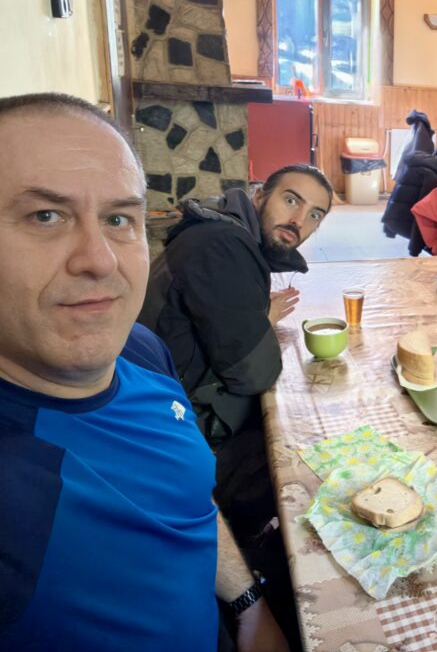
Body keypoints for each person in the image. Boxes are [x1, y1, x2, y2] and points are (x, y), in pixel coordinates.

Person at [0, 93, 287, 650]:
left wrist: (249, 605)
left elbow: (184, 493)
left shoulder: (137, 349)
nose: (100, 258)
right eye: (46, 216)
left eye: (118, 219)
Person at [139, 163, 333, 530]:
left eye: (314, 215)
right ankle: (251, 548)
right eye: (291, 200)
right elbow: (254, 373)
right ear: (259, 196)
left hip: (168, 394)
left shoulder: (224, 233)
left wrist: (255, 312)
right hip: (168, 429)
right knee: (306, 453)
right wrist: (263, 320)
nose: (298, 220)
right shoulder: (223, 246)